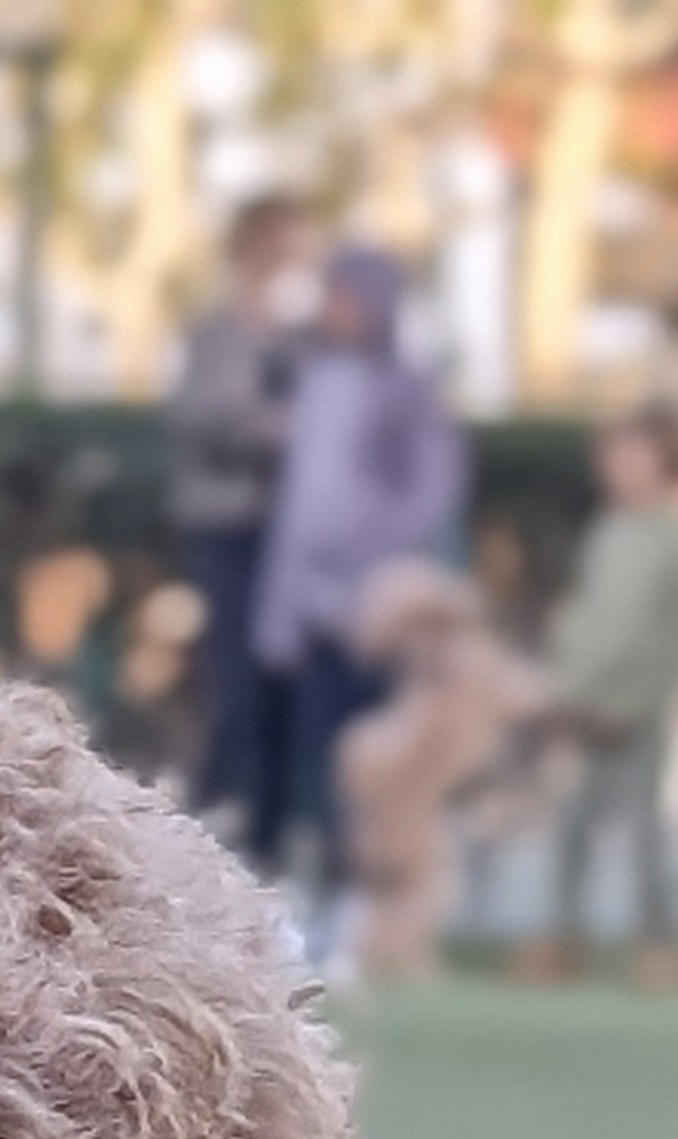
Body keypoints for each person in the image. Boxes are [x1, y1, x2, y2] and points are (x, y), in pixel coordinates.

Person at [254, 244, 465, 898]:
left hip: (376, 610)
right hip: (312, 606)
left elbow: (431, 492)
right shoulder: (313, 380)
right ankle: (313, 886)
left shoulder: (407, 389)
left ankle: (373, 895)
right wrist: (280, 613)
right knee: (310, 755)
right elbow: (295, 511)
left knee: (375, 764)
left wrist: (369, 540)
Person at [522, 402, 678, 987]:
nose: (619, 467)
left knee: (645, 826)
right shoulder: (609, 534)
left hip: (638, 707)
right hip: (583, 702)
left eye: (634, 454)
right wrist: (565, 682)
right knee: (571, 821)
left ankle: (659, 941)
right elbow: (592, 621)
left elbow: (657, 632)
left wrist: (636, 695)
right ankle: (563, 933)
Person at [166, 195, 313, 866]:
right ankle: (221, 830)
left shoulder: (302, 337)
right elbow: (201, 420)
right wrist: (265, 430)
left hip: (294, 538)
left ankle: (276, 838)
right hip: (231, 528)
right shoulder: (216, 334)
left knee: (289, 688)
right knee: (236, 683)